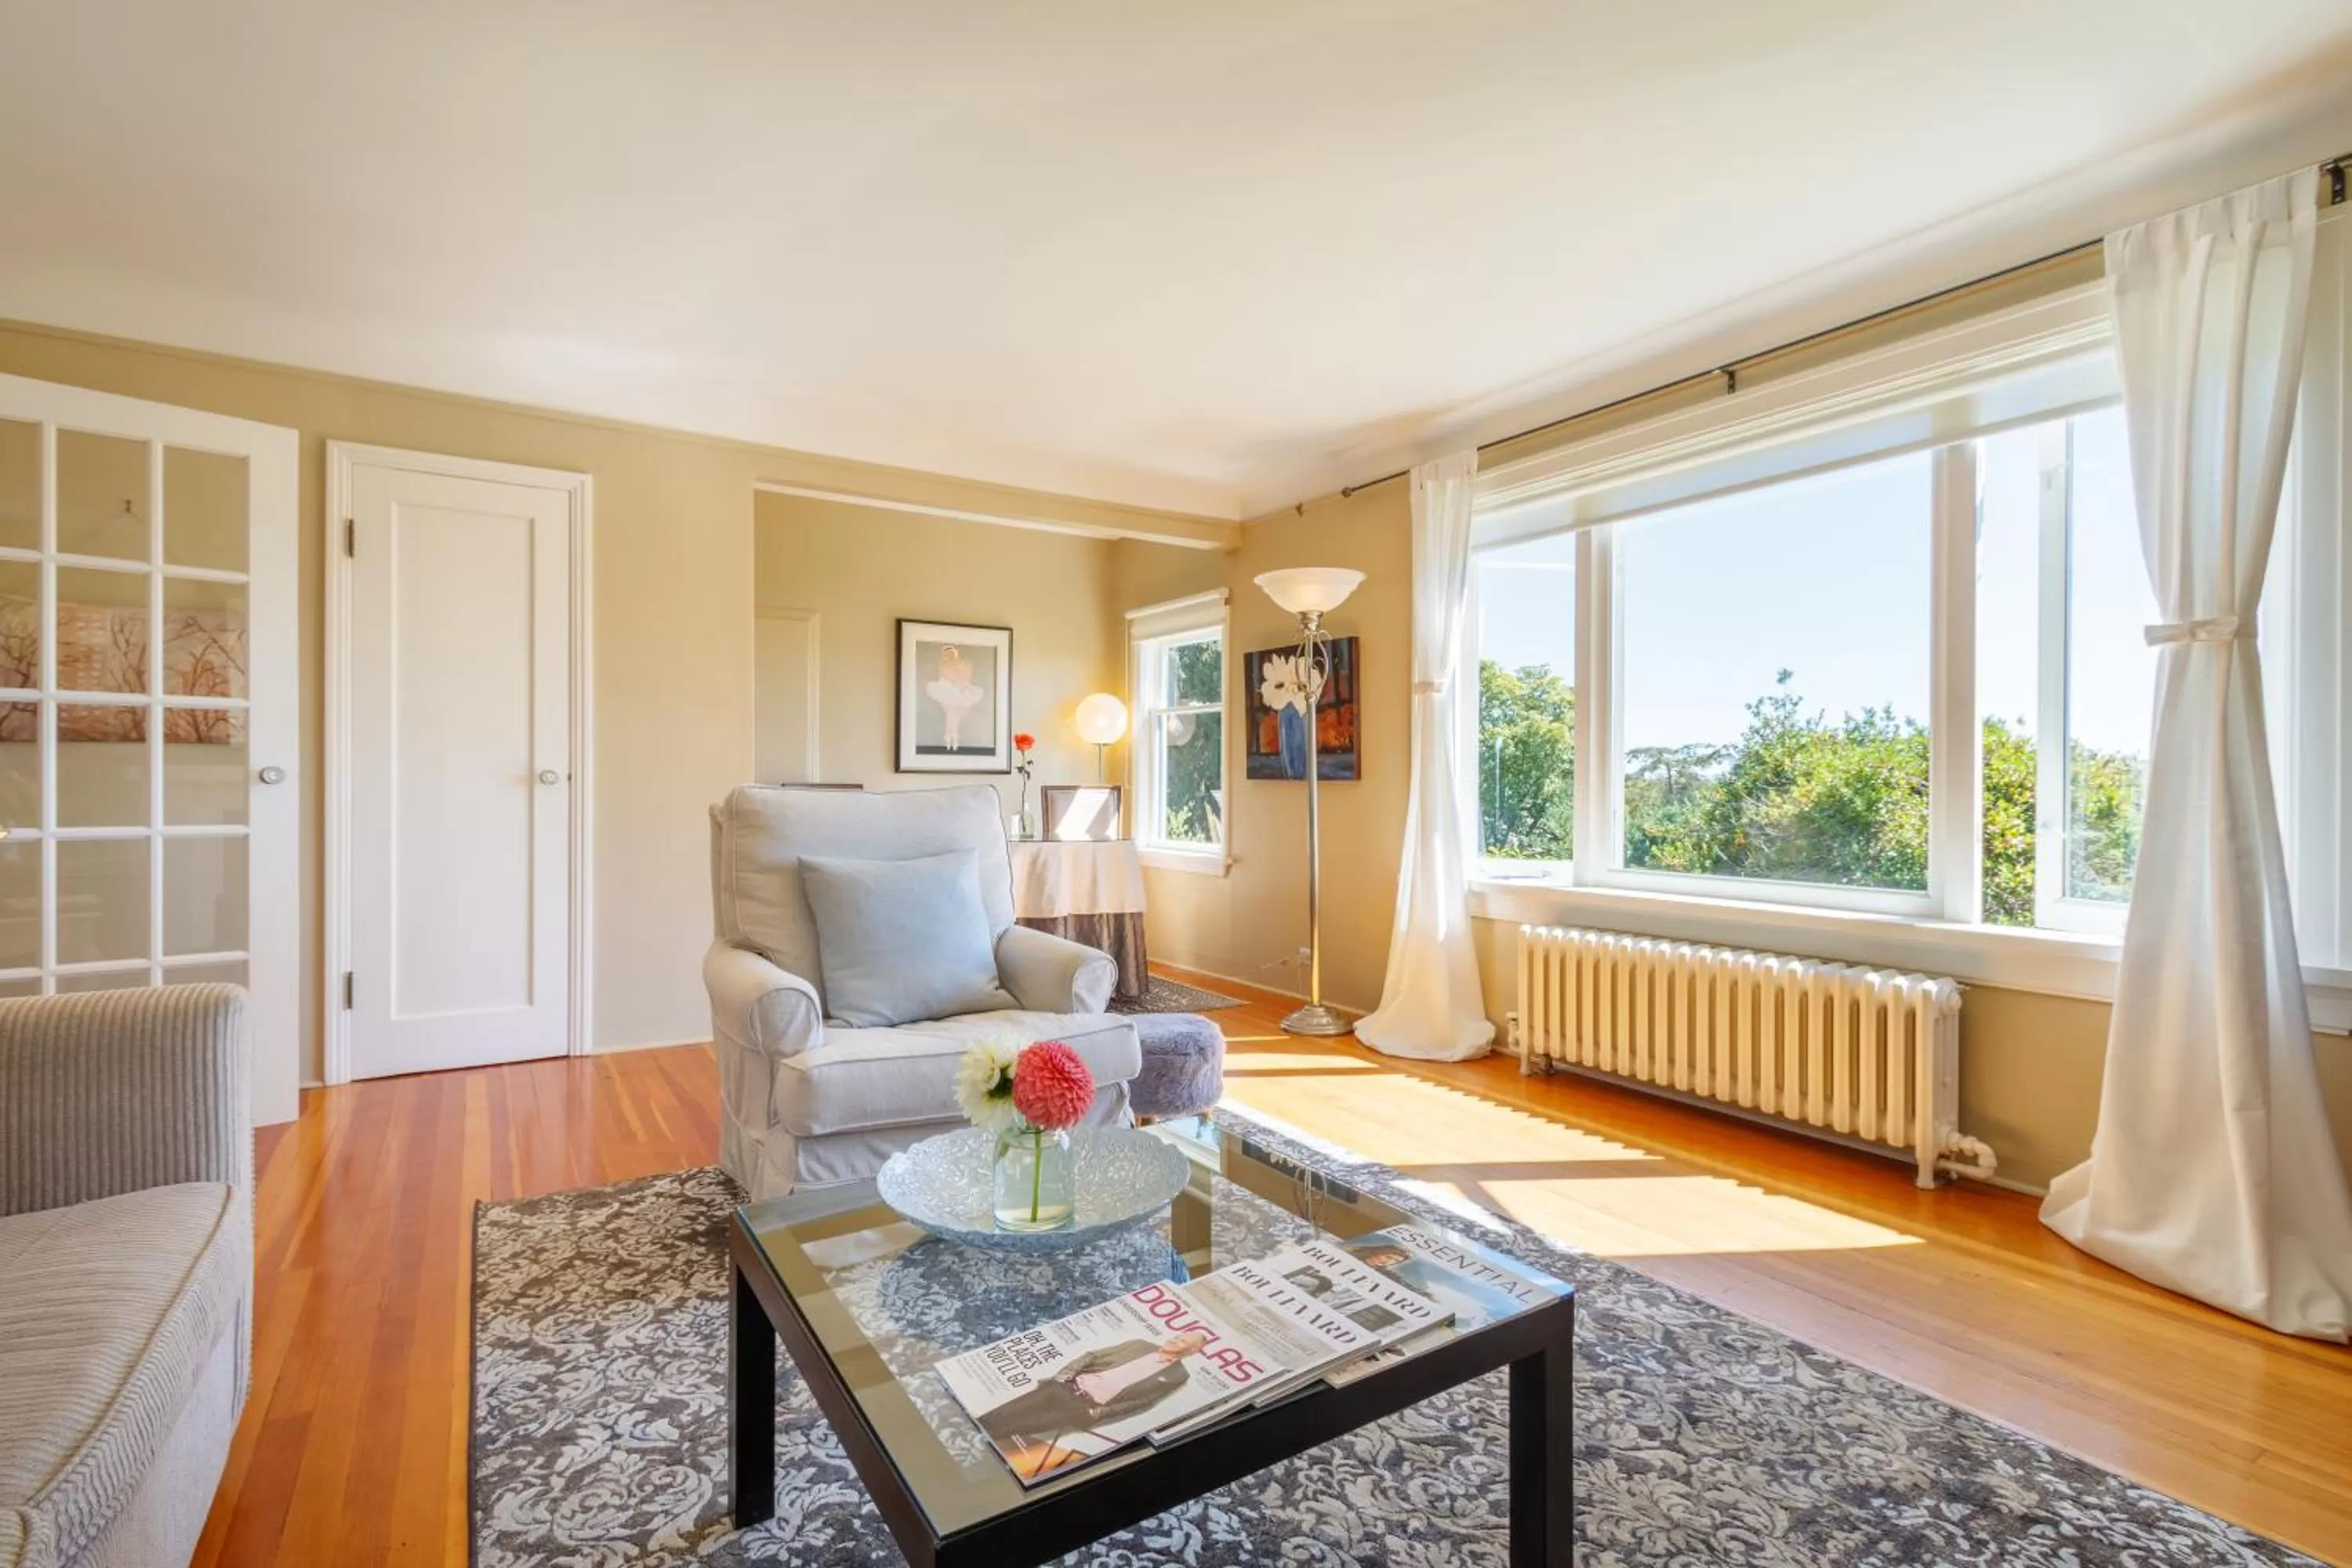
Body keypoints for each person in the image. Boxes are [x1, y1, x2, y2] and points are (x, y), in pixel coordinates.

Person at [978, 1332, 1210, 1478]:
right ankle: (967, 1433)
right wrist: (1063, 1376)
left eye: (1182, 1341)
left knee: (1020, 1426)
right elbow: (1092, 1355)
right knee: (1005, 1413)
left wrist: (1098, 1412)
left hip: (1083, 1407)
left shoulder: (1178, 1375)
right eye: (1177, 1335)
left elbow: (1143, 1403)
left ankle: (975, 1457)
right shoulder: (1140, 1344)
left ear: (1191, 1351)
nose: (1174, 1338)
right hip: (1065, 1386)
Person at [926, 644, 987, 753]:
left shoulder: (966, 664)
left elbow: (967, 677)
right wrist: (952, 682)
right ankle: (952, 739)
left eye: (950, 654)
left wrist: (961, 684)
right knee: (952, 712)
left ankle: (951, 738)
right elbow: (942, 678)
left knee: (954, 713)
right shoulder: (943, 666)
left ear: (956, 653)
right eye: (945, 655)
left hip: (962, 689)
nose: (947, 657)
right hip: (947, 689)